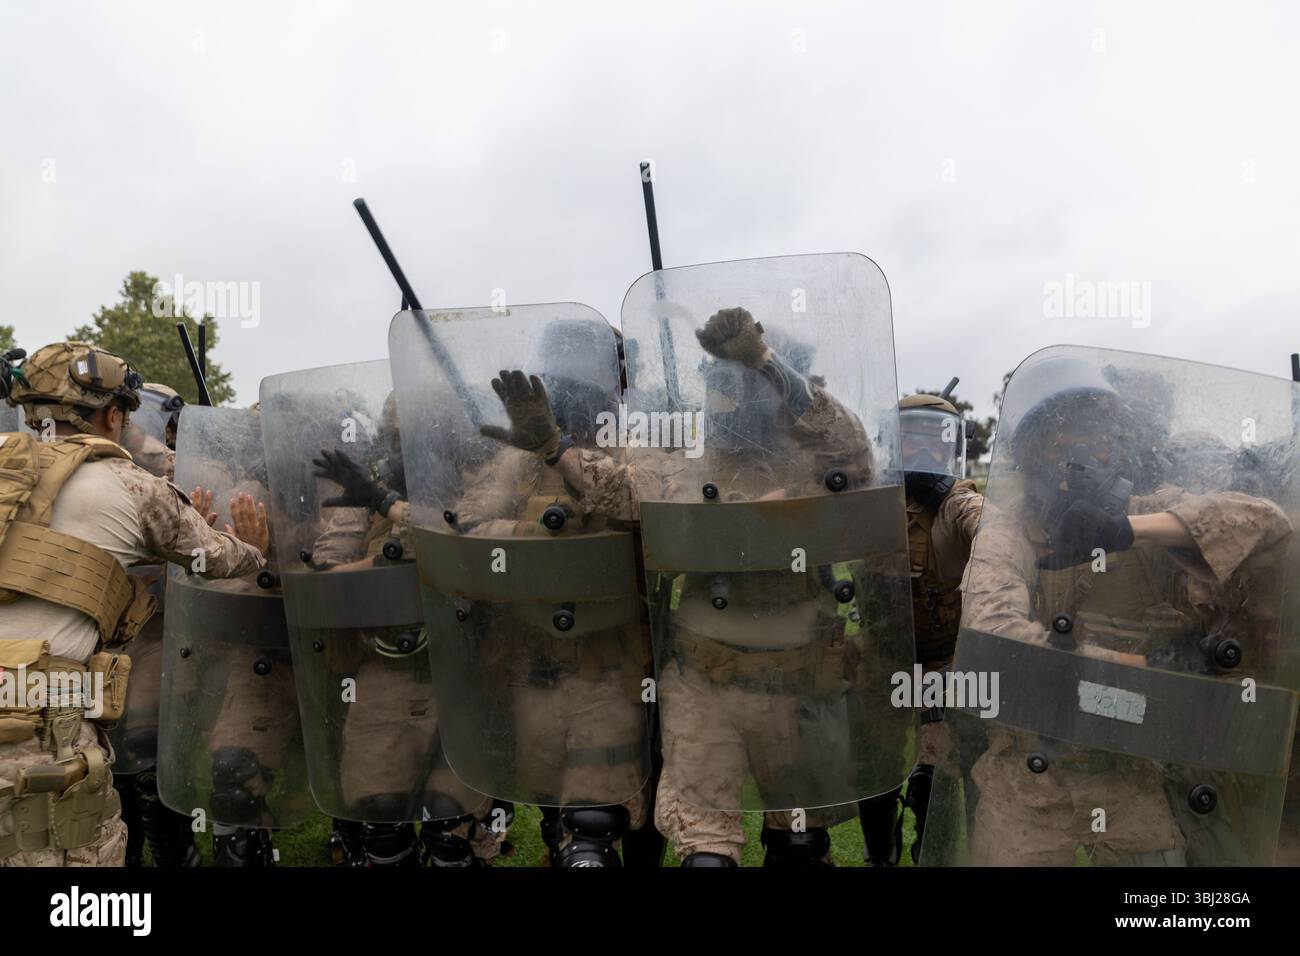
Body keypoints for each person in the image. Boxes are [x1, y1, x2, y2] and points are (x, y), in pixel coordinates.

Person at [0, 342, 267, 866]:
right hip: (39, 722)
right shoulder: (132, 484)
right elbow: (211, 559)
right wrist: (253, 546)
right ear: (113, 414)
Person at [857, 389, 983, 864]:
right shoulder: (871, 500)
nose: (927, 454)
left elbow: (982, 522)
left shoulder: (956, 503)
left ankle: (931, 854)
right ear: (893, 444)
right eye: (914, 441)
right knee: (874, 774)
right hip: (880, 657)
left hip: (941, 662)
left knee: (933, 779)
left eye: (938, 442)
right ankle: (878, 855)